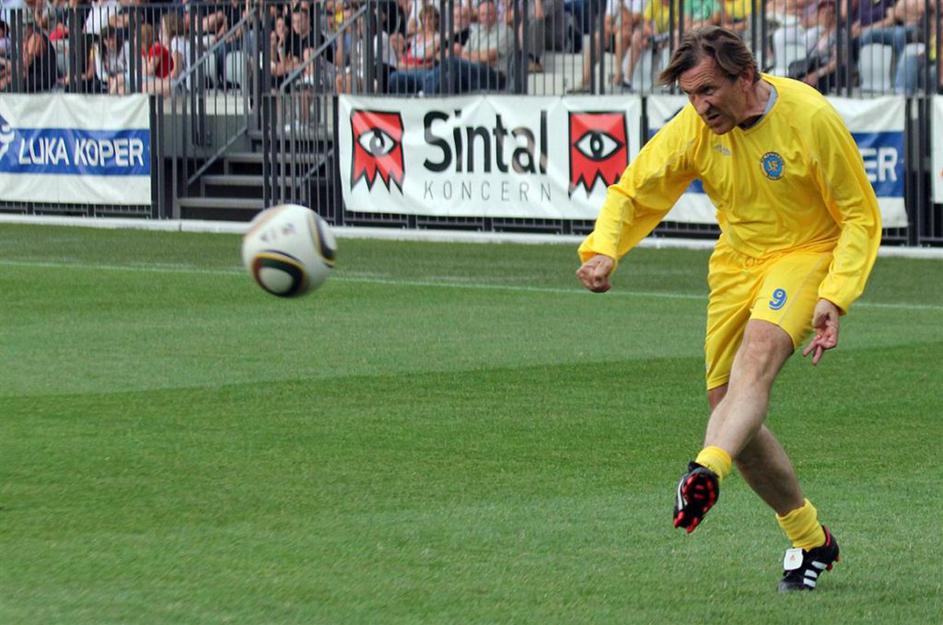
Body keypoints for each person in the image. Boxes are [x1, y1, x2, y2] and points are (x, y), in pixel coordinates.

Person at [575, 26, 881, 592]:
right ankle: (810, 538)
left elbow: (860, 215)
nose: (700, 106)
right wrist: (604, 249)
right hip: (736, 263)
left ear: (747, 77)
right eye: (691, 94)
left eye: (708, 90)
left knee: (757, 357)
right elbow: (635, 190)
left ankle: (704, 469)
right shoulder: (695, 127)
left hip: (806, 253)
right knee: (731, 409)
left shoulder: (810, 118)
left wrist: (836, 293)